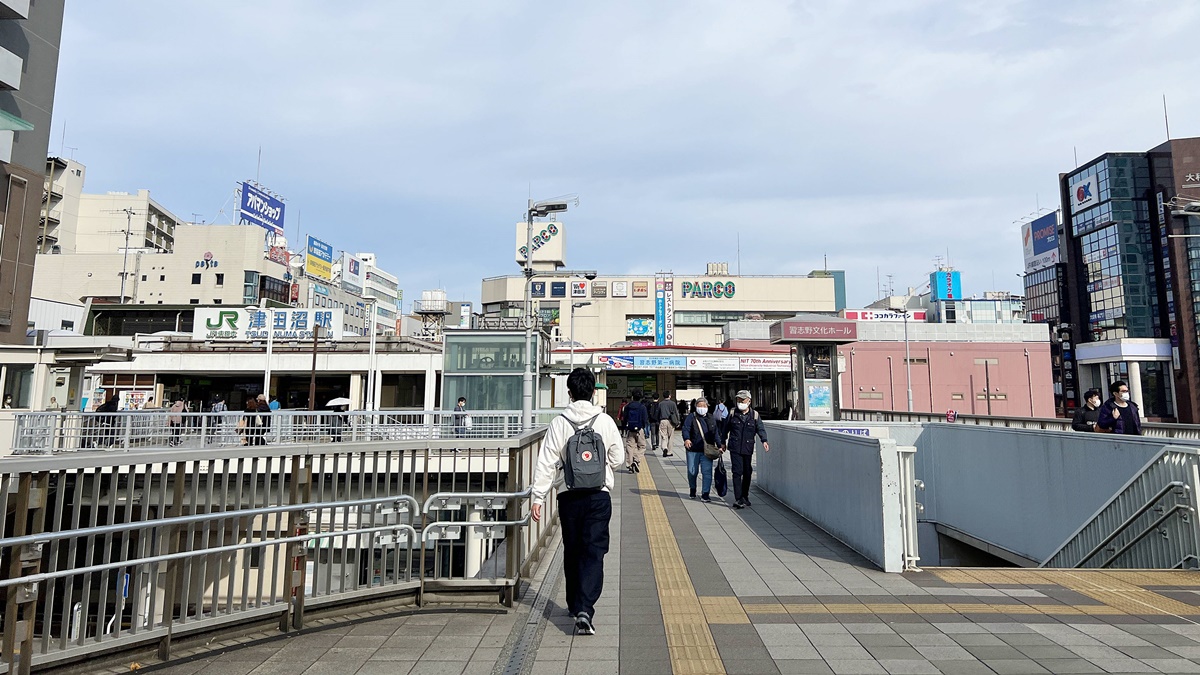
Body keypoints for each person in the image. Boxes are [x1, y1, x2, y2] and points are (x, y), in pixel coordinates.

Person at [530, 368, 624, 636]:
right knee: (594, 551)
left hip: (568, 496)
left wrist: (538, 497)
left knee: (572, 549)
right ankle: (585, 608)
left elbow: (546, 462)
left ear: (569, 393)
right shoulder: (604, 421)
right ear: (594, 392)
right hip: (598, 495)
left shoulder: (559, 422)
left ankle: (573, 604)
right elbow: (617, 459)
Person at [720, 390, 769, 509]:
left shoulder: (755, 415)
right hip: (735, 447)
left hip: (748, 447)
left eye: (743, 400)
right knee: (737, 472)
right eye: (738, 400)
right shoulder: (732, 413)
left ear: (749, 401)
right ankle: (738, 498)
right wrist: (722, 442)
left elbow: (760, 429)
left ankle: (745, 496)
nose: (740, 402)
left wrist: (764, 440)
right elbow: (725, 429)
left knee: (747, 472)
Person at [682, 397, 720, 503]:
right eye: (699, 406)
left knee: (707, 472)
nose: (702, 408)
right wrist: (687, 439)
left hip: (707, 450)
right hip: (693, 449)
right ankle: (693, 489)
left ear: (707, 406)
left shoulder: (711, 418)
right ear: (695, 407)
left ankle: (705, 493)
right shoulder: (691, 417)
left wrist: (720, 444)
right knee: (692, 471)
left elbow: (715, 432)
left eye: (704, 406)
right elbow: (686, 429)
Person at [622, 390, 649, 474]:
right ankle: (636, 460)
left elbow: (624, 418)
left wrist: (625, 428)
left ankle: (629, 464)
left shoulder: (627, 406)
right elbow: (645, 419)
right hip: (639, 429)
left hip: (630, 429)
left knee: (630, 447)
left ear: (632, 397)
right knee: (642, 446)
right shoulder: (642, 407)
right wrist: (644, 427)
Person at [657, 391, 681, 457]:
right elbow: (676, 413)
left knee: (664, 436)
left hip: (663, 421)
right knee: (671, 437)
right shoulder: (673, 403)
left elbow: (658, 413)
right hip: (671, 421)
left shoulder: (660, 404)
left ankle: (664, 448)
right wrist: (678, 421)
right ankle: (669, 452)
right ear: (669, 396)